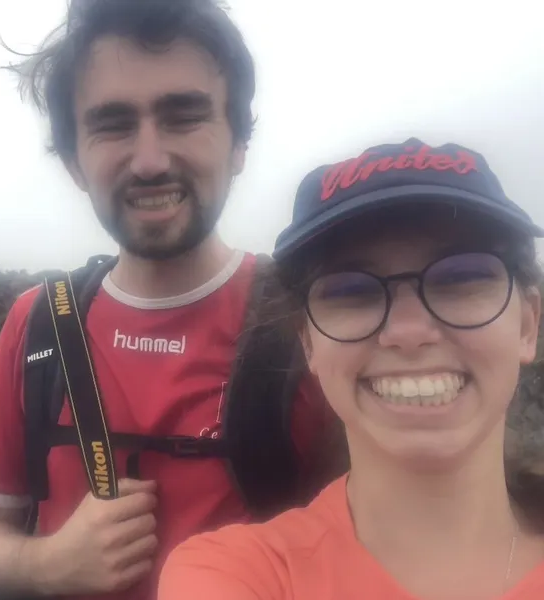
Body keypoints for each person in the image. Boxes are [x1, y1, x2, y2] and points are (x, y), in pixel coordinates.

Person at [0, 2, 332, 600]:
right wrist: (46, 564)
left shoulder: (312, 322)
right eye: (113, 124)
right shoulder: (40, 323)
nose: (150, 161)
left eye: (184, 116)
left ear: (239, 143)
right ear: (74, 162)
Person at [158, 137, 544, 599]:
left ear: (527, 325)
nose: (408, 331)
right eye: (351, 292)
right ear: (309, 344)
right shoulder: (238, 574)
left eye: (461, 278)